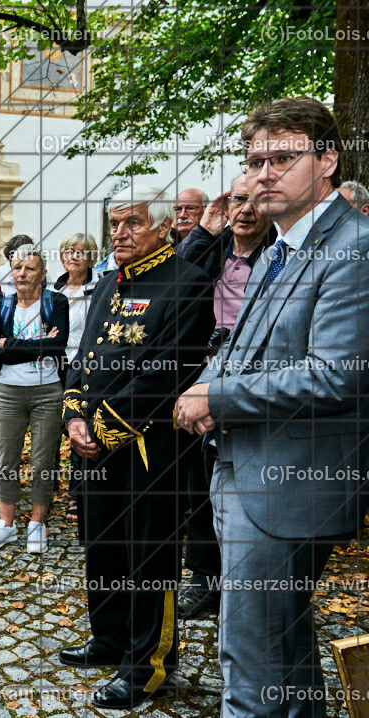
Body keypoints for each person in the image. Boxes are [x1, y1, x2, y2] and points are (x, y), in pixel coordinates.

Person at [175, 97, 369, 718]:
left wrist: (219, 396)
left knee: (251, 671)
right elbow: (241, 343)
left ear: (327, 161)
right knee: (286, 657)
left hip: (289, 485)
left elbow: (337, 375)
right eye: (256, 160)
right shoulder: (278, 245)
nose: (264, 173)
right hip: (245, 472)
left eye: (283, 157)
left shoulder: (353, 245)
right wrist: (208, 382)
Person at [59, 184, 212, 710]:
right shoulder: (108, 284)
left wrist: (99, 430)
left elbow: (163, 376)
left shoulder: (189, 284)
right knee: (101, 547)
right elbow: (83, 359)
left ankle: (150, 665)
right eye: (115, 223)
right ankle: (109, 637)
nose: (120, 233)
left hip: (149, 452)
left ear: (165, 226)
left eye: (133, 223)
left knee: (150, 558)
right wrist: (73, 413)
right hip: (93, 449)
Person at [174, 174, 275, 619]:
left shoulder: (279, 257)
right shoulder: (211, 251)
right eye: (238, 200)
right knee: (198, 484)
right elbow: (173, 281)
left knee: (241, 484)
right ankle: (203, 578)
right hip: (200, 379)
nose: (246, 209)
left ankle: (244, 579)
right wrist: (203, 231)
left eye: (255, 201)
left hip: (252, 381)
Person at [0, 247, 68, 553]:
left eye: (30, 269)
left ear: (43, 275)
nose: (22, 274)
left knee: (44, 461)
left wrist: (12, 345)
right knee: (7, 460)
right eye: (18, 268)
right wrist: (35, 344)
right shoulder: (2, 306)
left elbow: (58, 346)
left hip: (48, 392)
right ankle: (6, 524)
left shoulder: (56, 301)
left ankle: (37, 524)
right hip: (7, 391)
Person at [52, 233, 101, 526]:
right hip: (56, 364)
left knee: (82, 426)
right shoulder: (52, 288)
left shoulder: (102, 285)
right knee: (52, 426)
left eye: (82, 252)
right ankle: (49, 484)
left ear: (91, 257)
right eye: (69, 251)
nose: (75, 256)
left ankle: (77, 493)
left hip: (87, 366)